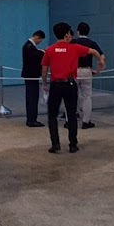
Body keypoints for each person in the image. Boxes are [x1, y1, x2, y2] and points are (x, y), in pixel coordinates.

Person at [37, 26, 91, 154]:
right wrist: (100, 62)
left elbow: (44, 69)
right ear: (67, 34)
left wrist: (44, 83)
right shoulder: (74, 47)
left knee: (52, 115)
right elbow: (93, 51)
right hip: (70, 84)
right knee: (71, 114)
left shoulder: (49, 50)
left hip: (56, 84)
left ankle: (55, 144)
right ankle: (73, 144)